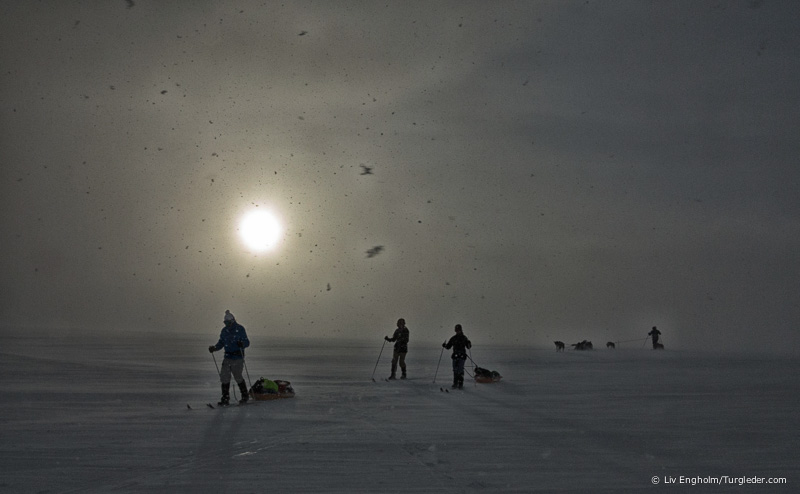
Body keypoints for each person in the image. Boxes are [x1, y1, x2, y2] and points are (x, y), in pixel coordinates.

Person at [208, 310, 250, 405]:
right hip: (227, 357)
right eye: (225, 323)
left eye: (227, 322)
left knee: (238, 376)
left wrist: (242, 344)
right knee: (224, 377)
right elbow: (221, 343)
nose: (226, 324)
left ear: (232, 321)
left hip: (238, 357)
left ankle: (245, 396)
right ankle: (225, 398)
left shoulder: (240, 329)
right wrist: (214, 348)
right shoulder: (224, 331)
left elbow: (247, 342)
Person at [443, 324, 471, 389]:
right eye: (457, 330)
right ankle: (455, 383)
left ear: (461, 330)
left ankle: (460, 384)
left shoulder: (464, 338)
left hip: (461, 356)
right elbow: (448, 347)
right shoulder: (453, 338)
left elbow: (468, 347)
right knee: (455, 370)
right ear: (455, 330)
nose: (458, 331)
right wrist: (444, 345)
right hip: (455, 356)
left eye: (459, 330)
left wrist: (469, 343)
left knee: (460, 370)